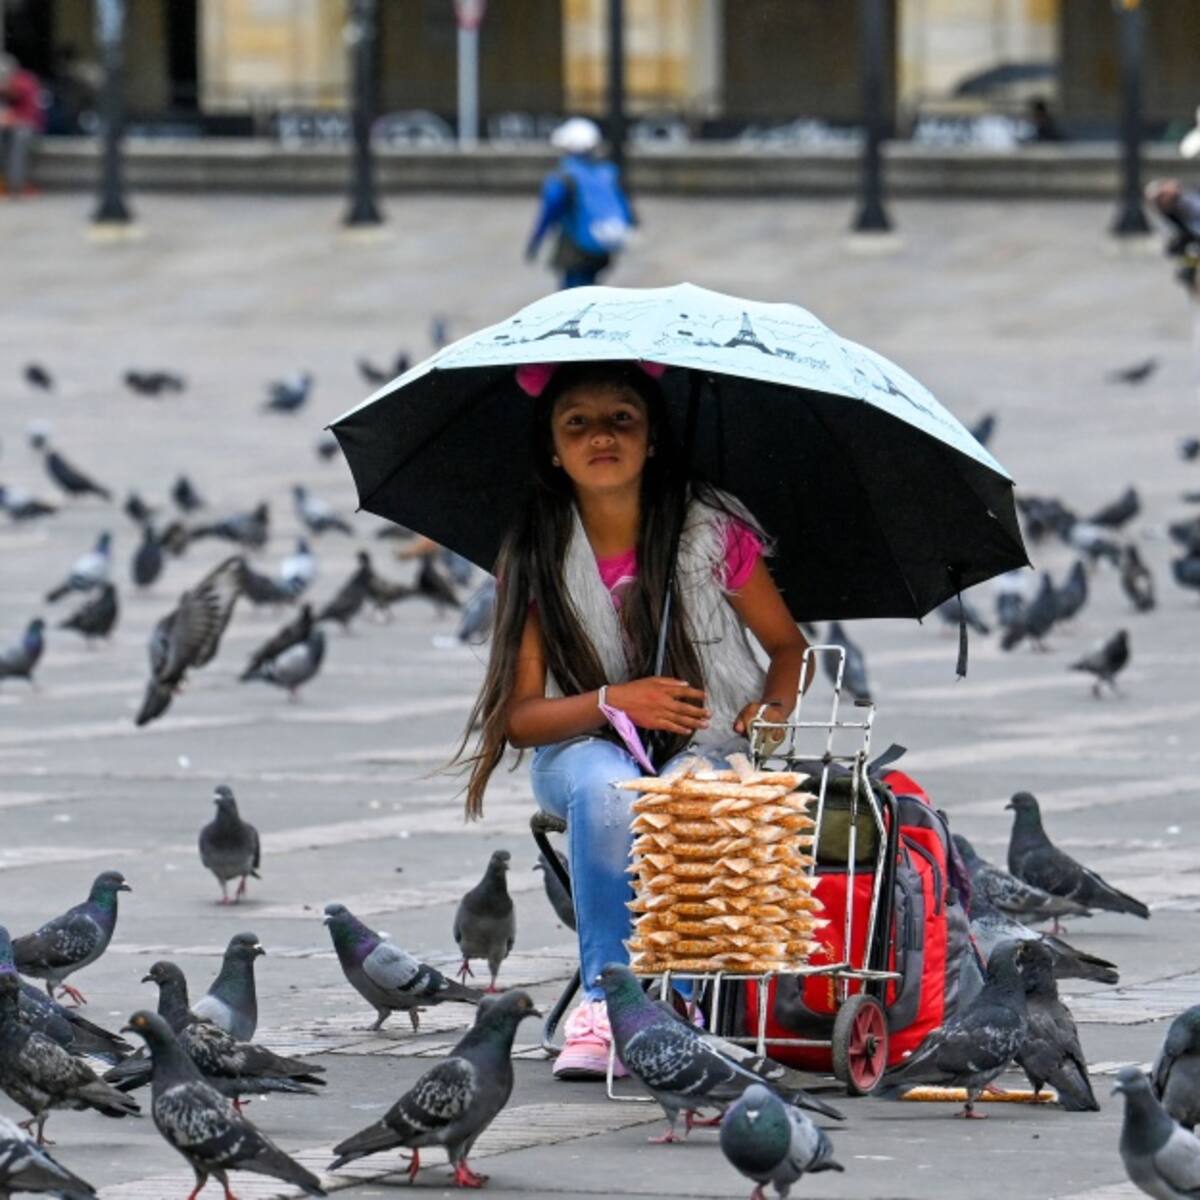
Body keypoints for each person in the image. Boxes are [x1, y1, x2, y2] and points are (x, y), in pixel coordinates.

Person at [454, 360, 810, 1079]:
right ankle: (603, 1003)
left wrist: (770, 712)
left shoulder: (710, 532)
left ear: (652, 439)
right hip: (577, 749)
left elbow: (787, 650)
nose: (601, 436)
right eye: (577, 423)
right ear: (554, 450)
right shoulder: (536, 549)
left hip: (706, 739)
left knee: (690, 797)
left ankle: (678, 999)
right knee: (609, 787)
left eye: (622, 418)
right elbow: (521, 719)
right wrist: (613, 701)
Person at [525, 117, 634, 290]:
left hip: (576, 247)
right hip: (603, 246)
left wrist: (535, 243)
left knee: (573, 293)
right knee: (591, 287)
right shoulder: (608, 171)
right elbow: (624, 207)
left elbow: (549, 214)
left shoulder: (563, 177)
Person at [0, 53, 45, 198]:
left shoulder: (23, 82)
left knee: (19, 140)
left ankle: (15, 185)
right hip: (12, 126)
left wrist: (9, 119)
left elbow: (29, 115)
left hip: (27, 126)